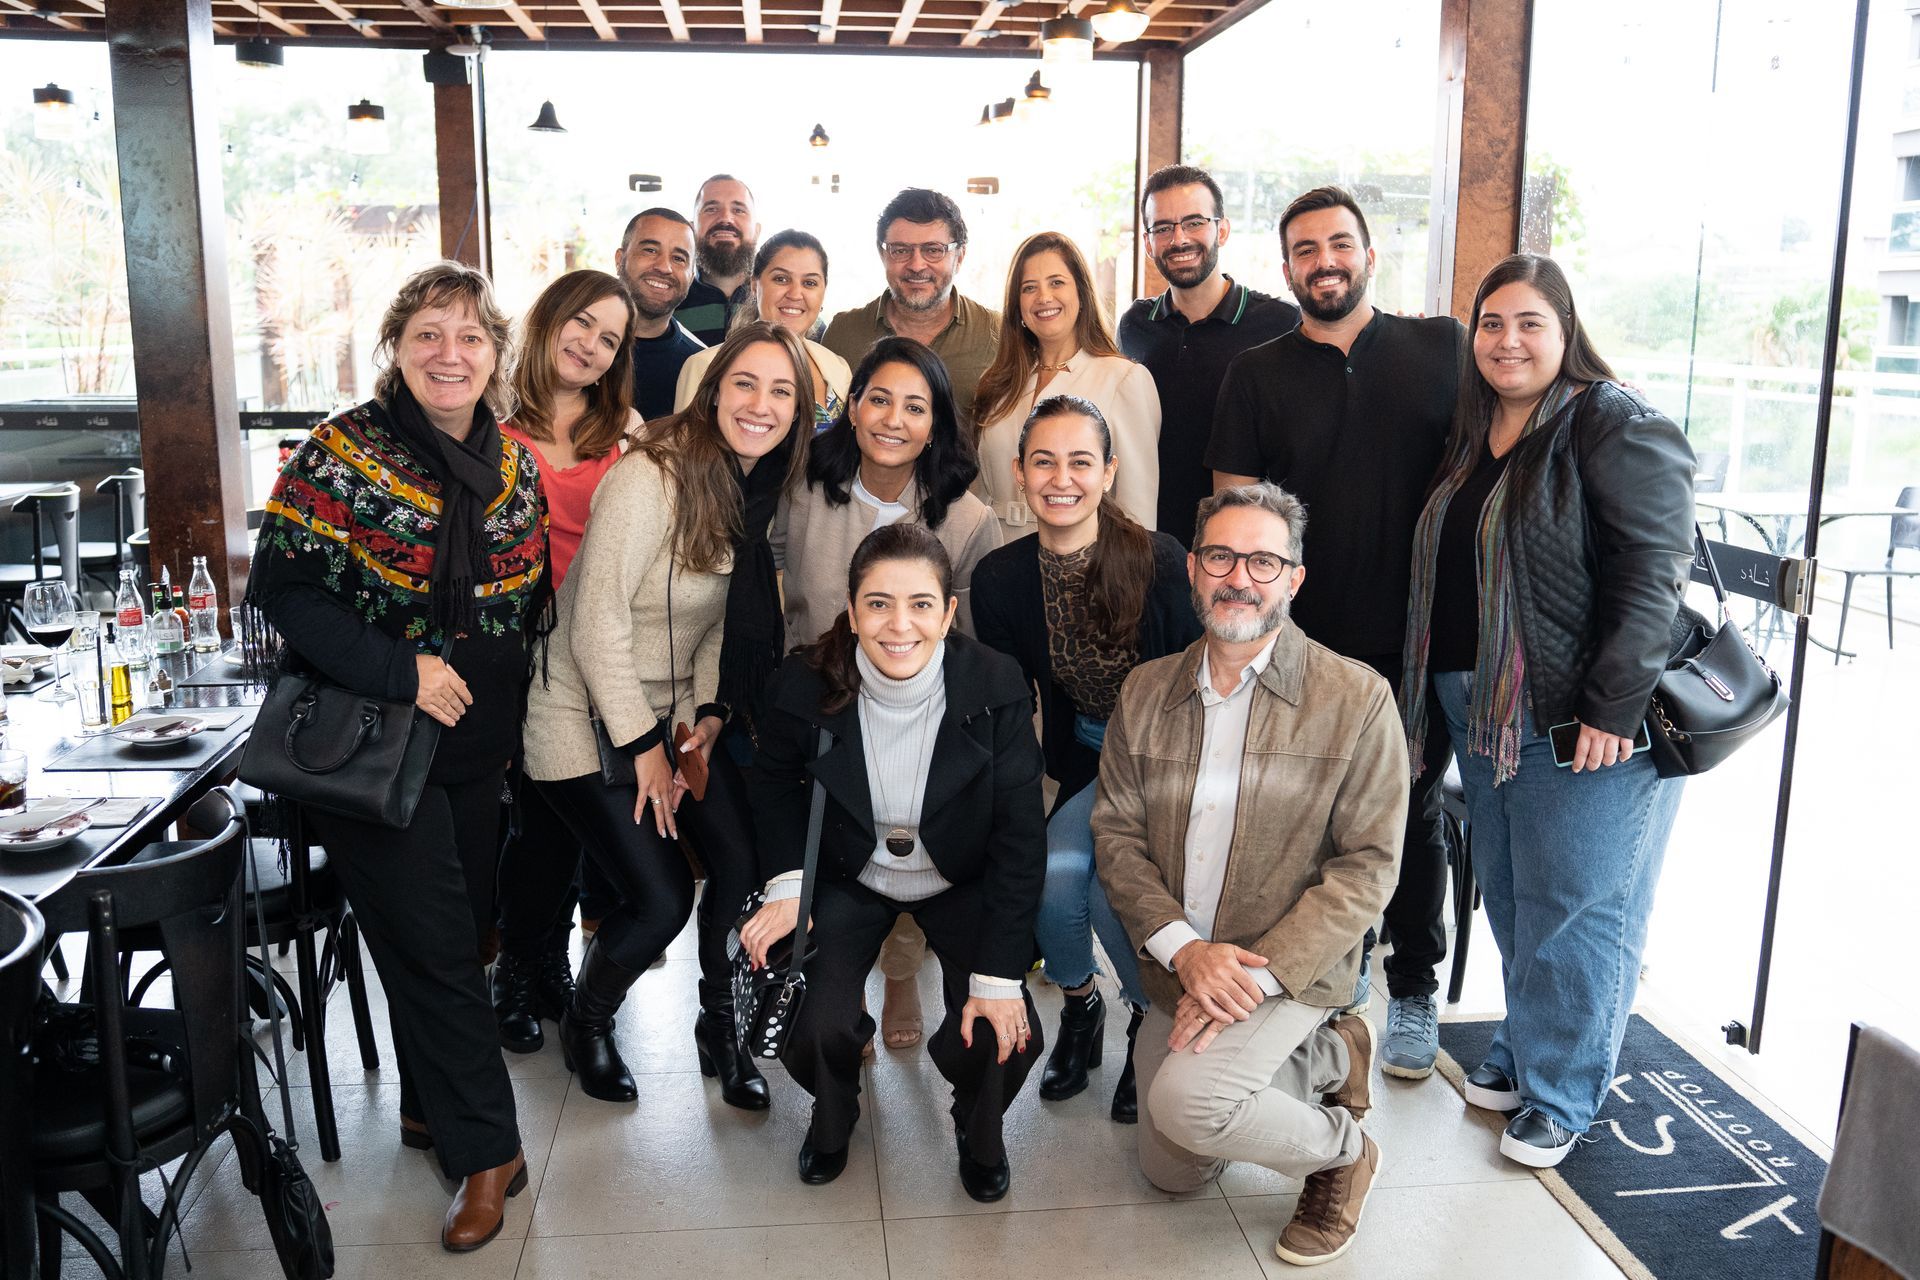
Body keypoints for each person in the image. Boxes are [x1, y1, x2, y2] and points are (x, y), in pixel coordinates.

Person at [251, 260, 545, 1253]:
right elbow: (284, 592)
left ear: (496, 354)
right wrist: (403, 668)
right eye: (428, 333)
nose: (448, 352)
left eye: (469, 335)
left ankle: (427, 1106)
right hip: (373, 742)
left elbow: (519, 611)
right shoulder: (344, 453)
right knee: (432, 951)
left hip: (475, 752)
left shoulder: (516, 468)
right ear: (397, 347)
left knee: (458, 942)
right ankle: (488, 1151)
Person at [1399, 253, 1693, 1168]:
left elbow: (1654, 576)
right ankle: (1528, 1049)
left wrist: (1613, 706)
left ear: (1565, 330)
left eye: (1529, 322)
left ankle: (1564, 1091)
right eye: (1491, 323)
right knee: (1518, 898)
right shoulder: (1473, 429)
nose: (1508, 340)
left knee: (1579, 908)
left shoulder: (1612, 423)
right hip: (1482, 710)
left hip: (1579, 718)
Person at [1091, 482, 1405, 1268]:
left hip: (1283, 969)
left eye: (1264, 560)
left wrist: (1253, 979)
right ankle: (1332, 1057)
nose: (1241, 577)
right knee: (1173, 1169)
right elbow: (1117, 835)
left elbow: (1368, 867)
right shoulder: (1147, 690)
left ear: (1294, 579)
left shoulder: (1357, 697)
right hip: (1184, 966)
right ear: (1193, 570)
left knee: (1188, 1106)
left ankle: (1342, 1154)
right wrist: (1188, 955)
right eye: (1222, 556)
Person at [521, 322, 814, 1114]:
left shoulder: (749, 487)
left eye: (782, 391)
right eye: (745, 383)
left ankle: (719, 1029)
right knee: (660, 901)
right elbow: (595, 626)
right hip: (576, 710)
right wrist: (645, 747)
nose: (761, 404)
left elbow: (715, 622)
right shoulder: (650, 474)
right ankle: (588, 1022)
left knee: (742, 867)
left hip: (669, 714)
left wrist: (706, 719)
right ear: (713, 388)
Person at [1207, 185, 1460, 1078]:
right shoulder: (1258, 372)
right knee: (1301, 817)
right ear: (1286, 268)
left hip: (1422, 639)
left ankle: (1417, 986)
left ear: (1369, 253)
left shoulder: (1443, 350)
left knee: (1414, 810)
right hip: (1300, 642)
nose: (1325, 261)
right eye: (1306, 250)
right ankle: (1328, 982)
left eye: (1339, 244)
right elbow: (1235, 513)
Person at [739, 523, 1047, 1203]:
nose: (898, 624)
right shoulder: (803, 681)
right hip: (853, 874)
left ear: (948, 612)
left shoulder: (995, 684)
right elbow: (770, 786)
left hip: (959, 877)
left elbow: (1022, 840)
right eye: (877, 604)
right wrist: (790, 883)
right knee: (812, 1021)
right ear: (850, 612)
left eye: (920, 604)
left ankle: (977, 1124)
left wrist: (998, 975)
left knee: (1004, 1026)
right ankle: (836, 1105)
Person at [970, 394, 1200, 1124]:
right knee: (1051, 881)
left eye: (1079, 461)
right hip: (1086, 761)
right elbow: (1010, 706)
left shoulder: (1159, 560)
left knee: (1109, 893)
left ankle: (1146, 1021)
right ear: (1018, 472)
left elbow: (1199, 682)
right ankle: (1081, 1005)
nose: (1060, 477)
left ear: (1108, 471)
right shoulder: (1001, 578)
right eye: (1043, 461)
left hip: (1165, 767)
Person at [491, 268, 640, 1056]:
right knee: (537, 818)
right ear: (548, 319)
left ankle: (540, 966)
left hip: (591, 651)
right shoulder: (488, 421)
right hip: (509, 652)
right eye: (580, 324)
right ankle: (525, 967)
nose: (589, 345)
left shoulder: (623, 435)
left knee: (570, 818)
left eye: (609, 339)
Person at [776, 335, 999, 647]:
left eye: (915, 408)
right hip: (806, 683)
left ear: (934, 427)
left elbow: (976, 642)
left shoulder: (970, 522)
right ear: (853, 409)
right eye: (880, 400)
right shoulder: (805, 486)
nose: (893, 421)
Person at [1118, 164, 1299, 548]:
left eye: (1194, 222)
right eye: (1163, 228)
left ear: (1223, 229)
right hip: (1148, 545)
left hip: (1242, 551)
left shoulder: (1281, 323)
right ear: (1148, 243)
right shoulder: (1135, 326)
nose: (1179, 239)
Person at [972, 231, 1160, 539]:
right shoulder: (997, 383)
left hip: (1088, 563)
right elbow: (979, 493)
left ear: (1082, 293)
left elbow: (1136, 513)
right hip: (995, 557)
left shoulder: (1123, 379)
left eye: (1056, 282)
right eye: (1029, 288)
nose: (1043, 297)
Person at [821, 188, 1001, 431]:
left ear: (959, 256)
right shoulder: (843, 334)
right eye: (901, 250)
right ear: (883, 254)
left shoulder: (997, 334)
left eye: (933, 250)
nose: (916, 265)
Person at [674, 229, 853, 427]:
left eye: (809, 283)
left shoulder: (838, 368)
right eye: (781, 279)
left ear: (823, 293)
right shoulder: (703, 367)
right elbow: (683, 453)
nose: (795, 294)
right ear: (754, 285)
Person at [615, 206, 705, 421]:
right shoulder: (575, 344)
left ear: (691, 276)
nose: (664, 267)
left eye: (679, 258)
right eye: (650, 250)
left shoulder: (700, 368)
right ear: (620, 259)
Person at [676, 174, 760, 345]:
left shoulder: (781, 304)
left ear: (757, 231)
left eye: (739, 210)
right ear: (692, 228)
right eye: (711, 209)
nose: (725, 218)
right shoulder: (668, 304)